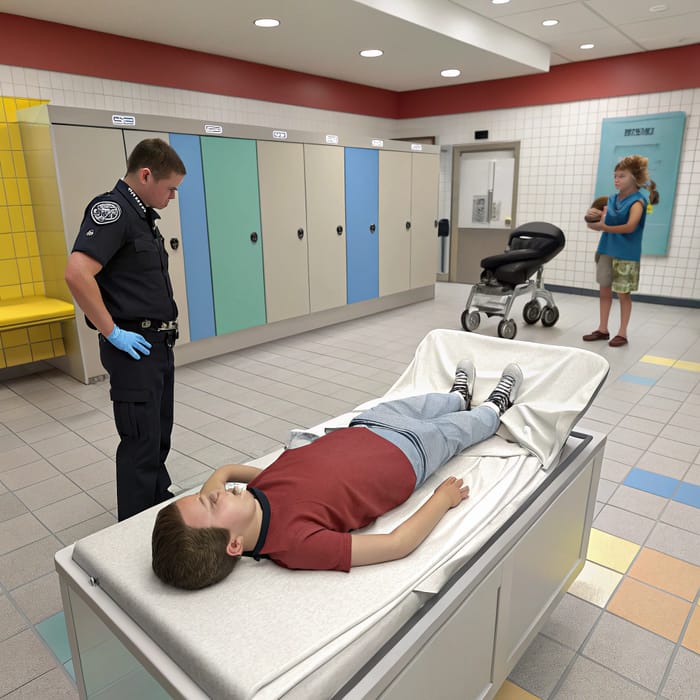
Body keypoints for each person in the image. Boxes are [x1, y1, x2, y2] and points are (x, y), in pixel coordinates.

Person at [152, 361, 523, 590]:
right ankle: (493, 407)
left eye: (207, 493)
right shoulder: (294, 544)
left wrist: (223, 482)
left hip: (368, 425)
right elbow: (396, 544)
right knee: (460, 429)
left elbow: (224, 474)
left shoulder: (255, 490)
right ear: (234, 546)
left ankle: (457, 395)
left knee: (420, 404)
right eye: (212, 502)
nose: (219, 490)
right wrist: (442, 500)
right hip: (411, 455)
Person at [64, 138, 186, 521]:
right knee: (139, 442)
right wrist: (112, 331)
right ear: (146, 175)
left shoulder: (142, 216)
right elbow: (77, 274)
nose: (171, 197)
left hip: (156, 344)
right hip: (133, 347)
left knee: (158, 433)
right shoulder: (113, 210)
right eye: (170, 188)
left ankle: (157, 504)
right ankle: (134, 525)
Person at [582, 155, 659, 348]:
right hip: (606, 249)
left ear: (634, 178)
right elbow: (598, 223)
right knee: (604, 291)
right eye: (615, 176)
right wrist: (592, 219)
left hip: (626, 254)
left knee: (623, 294)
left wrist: (603, 226)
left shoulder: (638, 202)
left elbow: (630, 227)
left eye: (622, 176)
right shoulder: (611, 199)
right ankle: (602, 329)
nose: (616, 179)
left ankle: (622, 333)